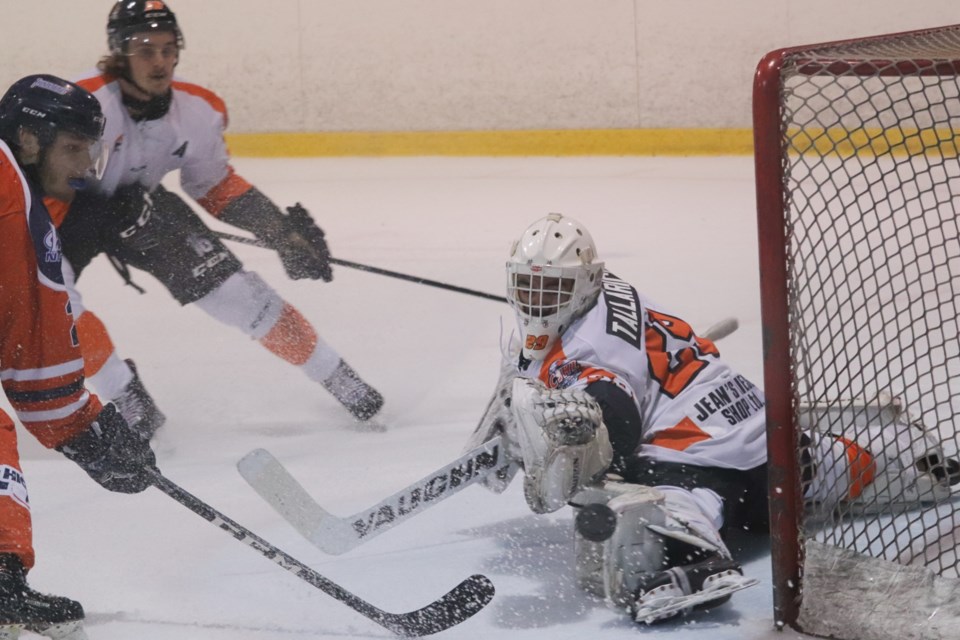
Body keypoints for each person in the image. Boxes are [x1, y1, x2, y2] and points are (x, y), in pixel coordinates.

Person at [464, 213, 958, 624]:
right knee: (839, 464)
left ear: (586, 281)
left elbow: (617, 424)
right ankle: (926, 468)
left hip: (715, 463)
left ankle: (699, 560)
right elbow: (529, 374)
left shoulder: (586, 348)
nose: (537, 301)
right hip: (770, 433)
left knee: (638, 479)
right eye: (527, 287)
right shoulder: (610, 292)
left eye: (552, 288)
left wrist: (559, 438)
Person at [57, 0, 383, 438]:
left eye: (168, 49)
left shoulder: (197, 110)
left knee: (240, 295)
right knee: (54, 307)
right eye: (145, 49)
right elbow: (31, 181)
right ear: (119, 53)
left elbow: (211, 184)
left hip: (144, 206)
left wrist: (280, 232)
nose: (160, 62)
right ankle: (127, 395)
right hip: (60, 218)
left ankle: (338, 376)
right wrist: (92, 209)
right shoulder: (79, 103)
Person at [0, 74, 158, 640]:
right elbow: (32, 351)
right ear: (28, 140)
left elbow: (25, 345)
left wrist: (84, 430)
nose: (87, 169)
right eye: (73, 150)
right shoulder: (14, 205)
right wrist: (83, 430)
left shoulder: (20, 206)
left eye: (91, 152)